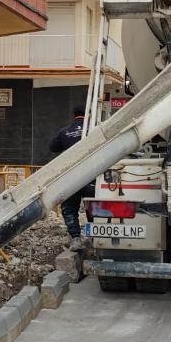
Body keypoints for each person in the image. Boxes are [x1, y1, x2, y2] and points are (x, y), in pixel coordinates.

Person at [50, 105, 96, 251]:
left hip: (72, 177)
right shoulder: (93, 130)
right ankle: (94, 237)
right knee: (94, 208)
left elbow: (53, 147)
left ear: (74, 115)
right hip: (91, 176)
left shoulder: (64, 131)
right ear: (87, 114)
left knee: (69, 209)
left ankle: (76, 239)